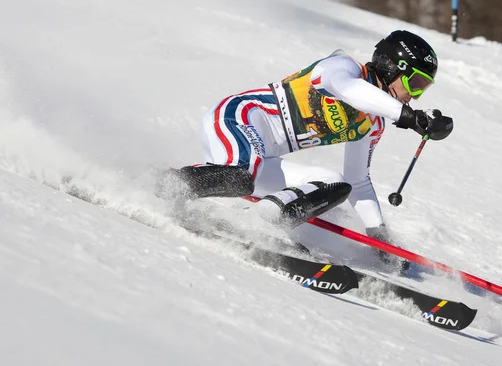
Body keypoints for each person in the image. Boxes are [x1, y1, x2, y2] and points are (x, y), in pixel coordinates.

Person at [162, 30, 453, 256]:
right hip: (240, 118)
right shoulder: (343, 67)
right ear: (392, 67)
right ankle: (163, 183)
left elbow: (359, 180)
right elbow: (348, 90)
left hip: (264, 159)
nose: (414, 96)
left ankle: (262, 221)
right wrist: (408, 117)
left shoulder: (372, 123)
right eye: (415, 84)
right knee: (241, 177)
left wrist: (380, 240)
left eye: (423, 89)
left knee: (336, 184)